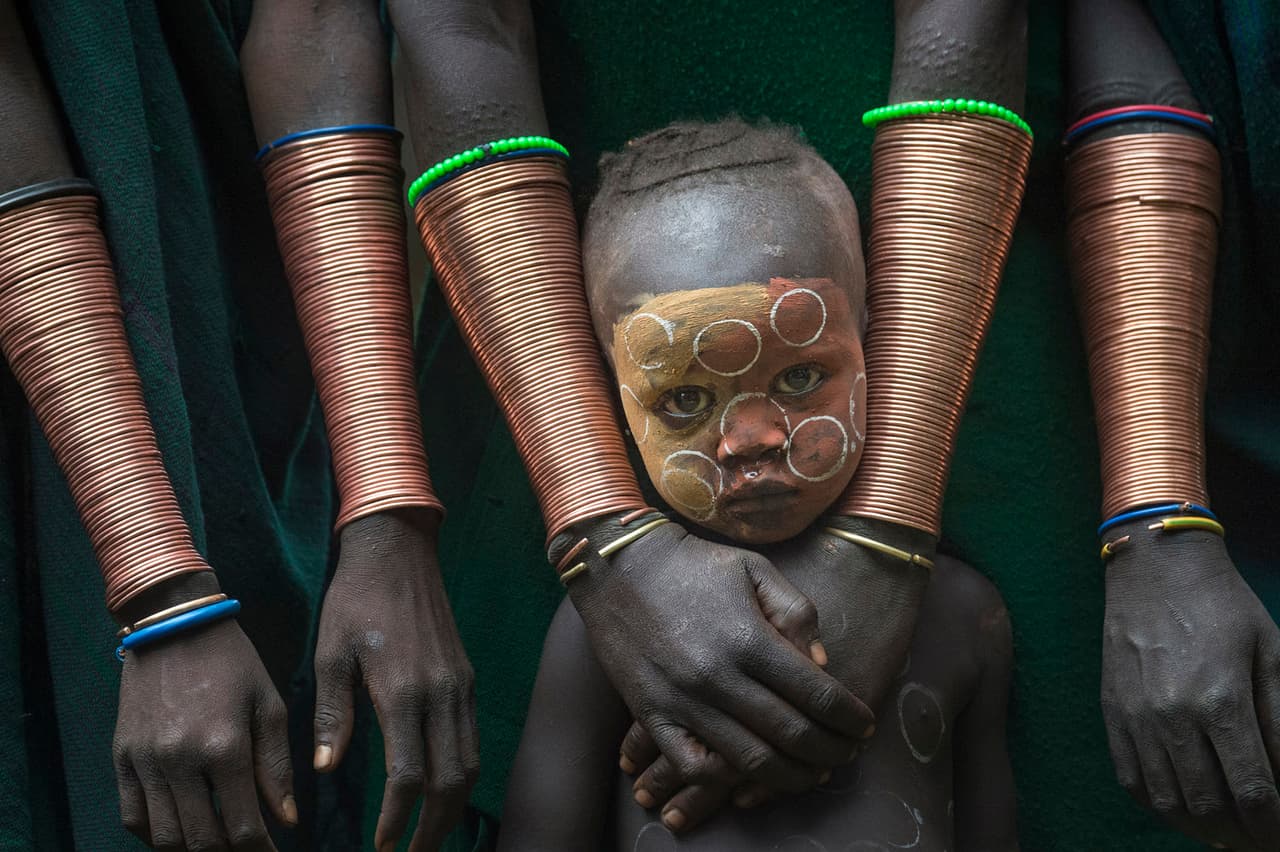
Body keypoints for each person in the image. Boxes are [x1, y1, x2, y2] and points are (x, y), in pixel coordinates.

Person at [498, 120, 1017, 851]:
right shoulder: (605, 629)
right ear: (610, 395)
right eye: (683, 400)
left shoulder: (963, 615)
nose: (753, 442)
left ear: (873, 341)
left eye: (801, 377)